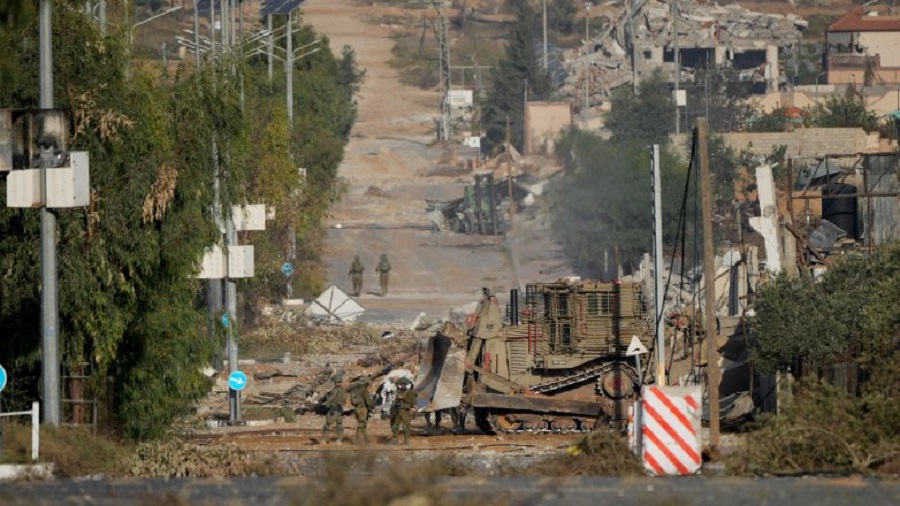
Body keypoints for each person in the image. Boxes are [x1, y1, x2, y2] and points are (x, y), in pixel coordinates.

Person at [348, 374, 375, 444]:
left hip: (356, 409)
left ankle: (366, 439)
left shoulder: (354, 390)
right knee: (361, 424)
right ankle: (357, 439)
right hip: (363, 409)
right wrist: (373, 406)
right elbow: (368, 402)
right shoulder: (364, 390)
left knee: (362, 424)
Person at [321, 371, 346, 444]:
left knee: (327, 425)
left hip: (333, 410)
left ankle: (325, 440)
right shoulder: (343, 390)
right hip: (340, 410)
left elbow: (331, 398)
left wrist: (326, 403)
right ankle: (339, 440)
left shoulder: (335, 390)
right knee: (339, 425)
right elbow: (343, 400)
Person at [390, 377, 415, 445]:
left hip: (405, 411)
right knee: (394, 426)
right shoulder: (399, 392)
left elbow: (411, 403)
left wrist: (402, 397)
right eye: (399, 384)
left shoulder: (409, 392)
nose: (400, 386)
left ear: (405, 384)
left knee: (405, 427)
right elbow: (396, 401)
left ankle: (406, 441)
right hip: (398, 411)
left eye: (402, 384)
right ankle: (395, 438)